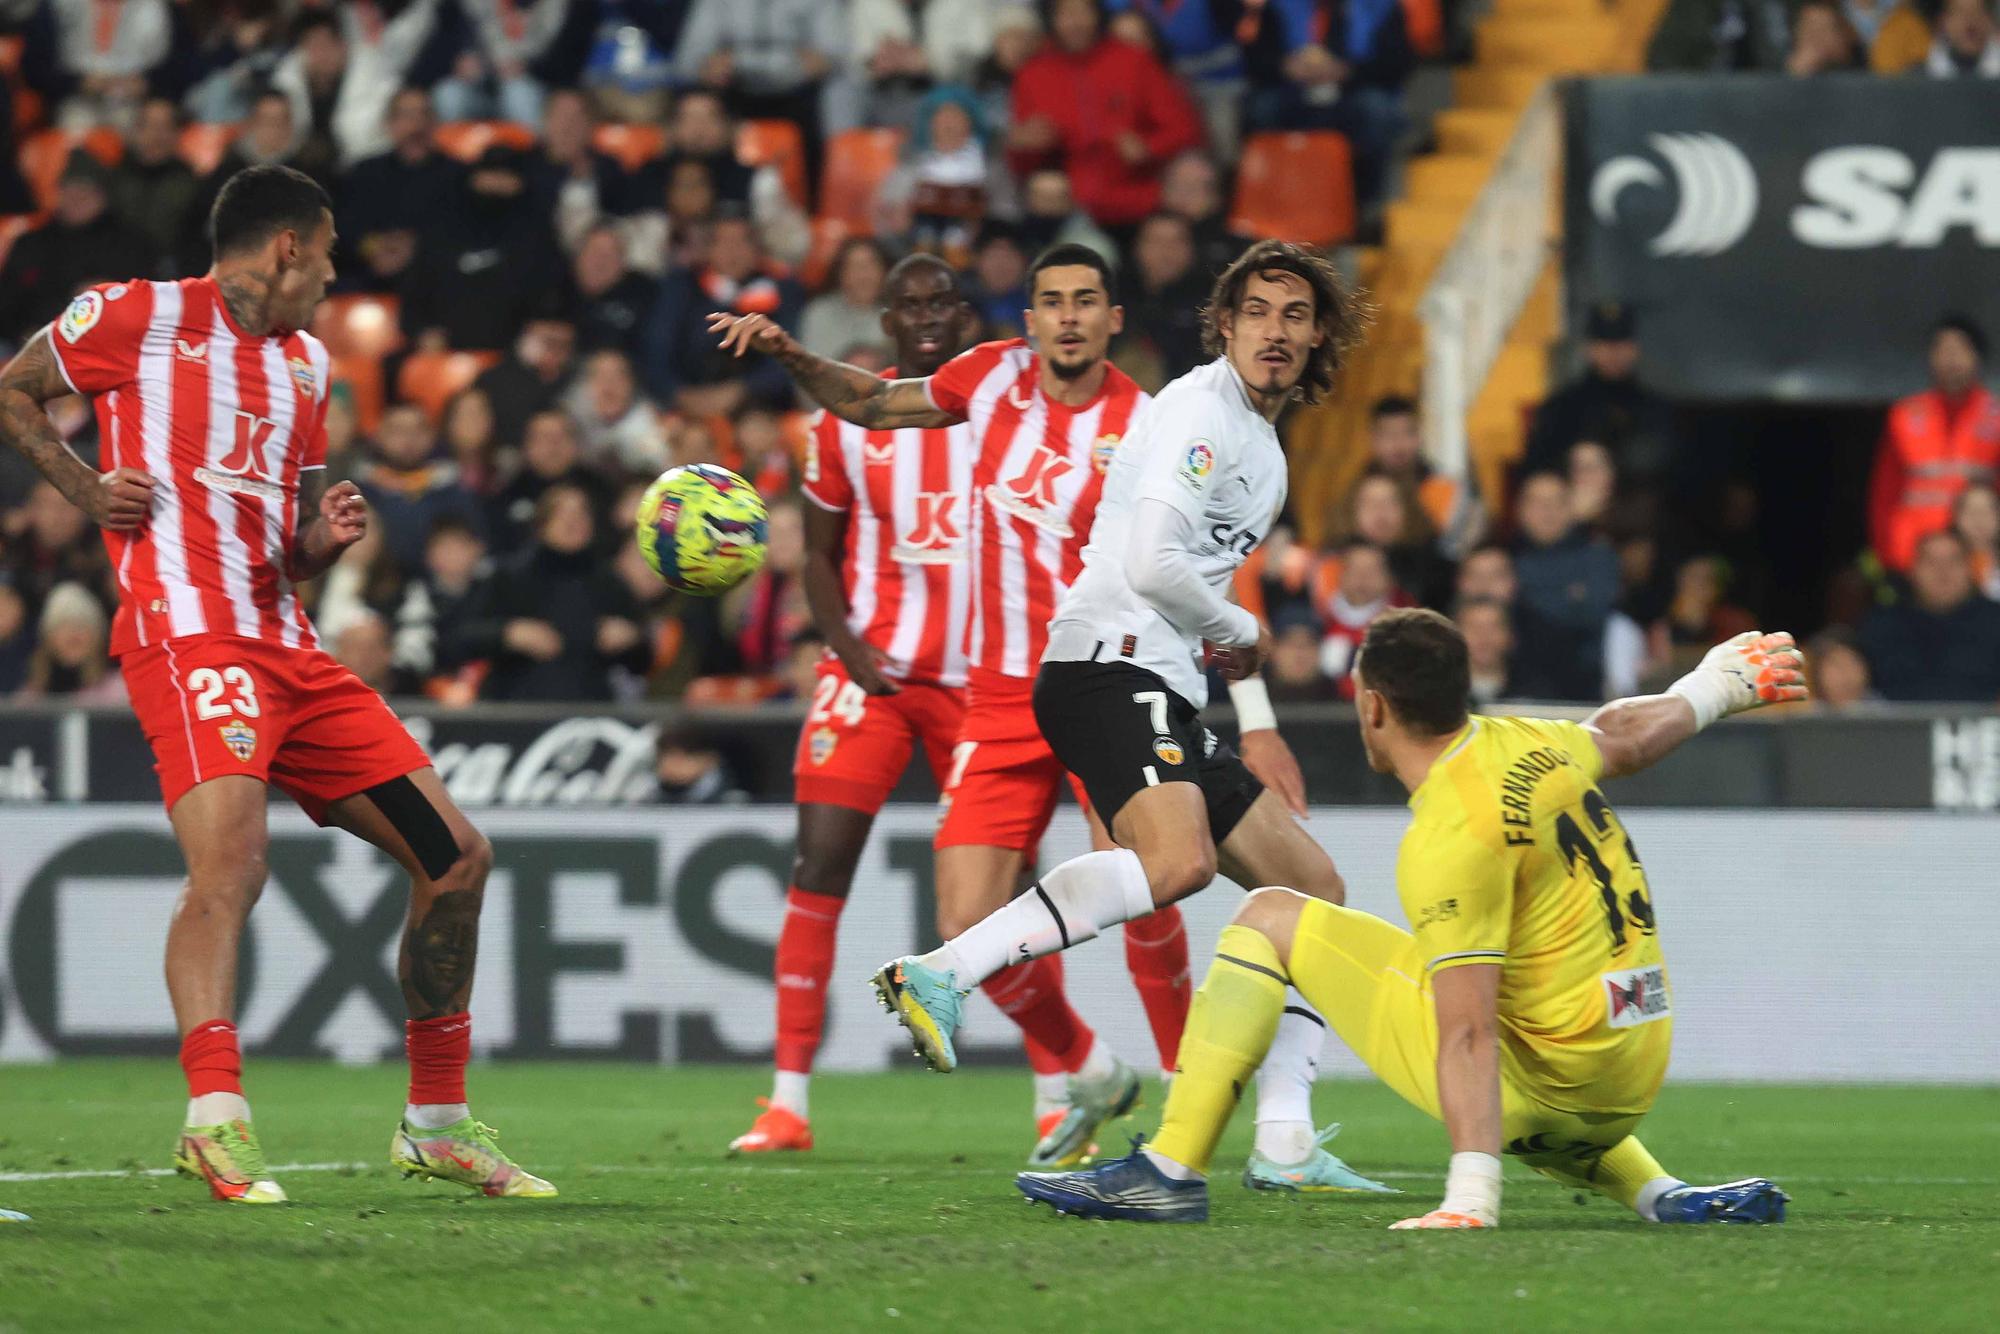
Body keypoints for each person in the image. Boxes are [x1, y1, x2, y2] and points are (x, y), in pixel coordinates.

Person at [773, 239, 1394, 1194]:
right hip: (1103, 663)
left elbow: (1203, 590)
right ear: (1224, 325)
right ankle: (945, 971)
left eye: (1296, 316)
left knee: (1314, 891)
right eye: (1258, 313)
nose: (1277, 331)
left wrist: (1245, 688)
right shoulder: (1197, 411)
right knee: (1175, 864)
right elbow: (1153, 569)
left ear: (1319, 338)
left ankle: (1282, 1139)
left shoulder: (1259, 447)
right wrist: (1242, 632)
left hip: (1160, 681)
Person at [0, 163, 553, 1204]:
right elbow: (13, 388)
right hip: (189, 637)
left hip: (287, 646)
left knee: (459, 857)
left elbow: (275, 553)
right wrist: (84, 488)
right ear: (287, 247)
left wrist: (321, 544)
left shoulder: (305, 364)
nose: (335, 276)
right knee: (234, 863)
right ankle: (215, 1117)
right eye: (330, 254)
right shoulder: (136, 315)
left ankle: (435, 1122)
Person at [1019, 609, 1802, 1228]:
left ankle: (1169, 1173)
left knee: (1268, 916)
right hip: (1631, 1071)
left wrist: (1471, 1195)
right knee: (1541, 1018)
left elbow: (1467, 1033)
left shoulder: (1447, 837)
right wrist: (1716, 686)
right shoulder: (1531, 741)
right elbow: (1624, 736)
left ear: (1373, 706)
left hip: (1552, 1094)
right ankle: (1658, 1192)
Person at [728, 256, 980, 1154]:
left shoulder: (996, 408)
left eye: (938, 302)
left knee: (995, 892)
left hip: (976, 683)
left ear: (962, 312)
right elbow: (821, 559)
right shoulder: (838, 424)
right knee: (819, 864)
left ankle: (1065, 1085)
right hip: (869, 673)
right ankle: (787, 1099)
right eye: (906, 304)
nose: (922, 317)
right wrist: (847, 649)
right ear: (883, 313)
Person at [1006, 0, 1205, 233]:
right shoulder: (1032, 73)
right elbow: (1020, 161)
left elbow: (1185, 128)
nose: (1075, 22)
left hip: (1140, 197)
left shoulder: (1133, 60)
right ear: (1052, 19)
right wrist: (1024, 145)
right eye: (1065, 14)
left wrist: (1148, 147)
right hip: (1068, 205)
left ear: (1097, 15)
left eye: (1083, 12)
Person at [1868, 315, 1999, 575]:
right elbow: (1884, 492)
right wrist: (1885, 552)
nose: (1951, 359)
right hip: (1910, 556)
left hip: (1977, 558)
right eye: (1942, 349)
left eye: (1960, 349)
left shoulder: (1996, 416)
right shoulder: (1904, 416)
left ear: (1977, 358)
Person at [0, 151, 157, 346]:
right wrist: (25, 331)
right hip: (31, 344)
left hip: (106, 347)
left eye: (85, 190)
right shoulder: (31, 243)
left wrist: (108, 294)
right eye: (69, 189)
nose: (76, 198)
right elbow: (7, 302)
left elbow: (145, 305)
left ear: (104, 196)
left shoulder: (131, 244)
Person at [1521, 302, 1681, 490]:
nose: (1613, 352)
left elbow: (1668, 473)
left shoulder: (1656, 409)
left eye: (1621, 343)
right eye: (1604, 344)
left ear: (1634, 348)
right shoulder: (1561, 408)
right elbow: (1538, 474)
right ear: (1589, 349)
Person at [335, 87, 459, 296]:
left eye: (424, 114)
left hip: (433, 277)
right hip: (366, 272)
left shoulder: (458, 175)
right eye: (407, 115)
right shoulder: (364, 172)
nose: (417, 125)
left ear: (436, 123)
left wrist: (415, 248)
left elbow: (461, 230)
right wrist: (374, 248)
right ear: (388, 124)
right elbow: (344, 227)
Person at [1859, 529, 2000, 702]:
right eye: (1931, 562)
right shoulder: (1881, 625)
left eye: (1953, 561)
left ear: (1970, 570)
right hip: (1897, 727)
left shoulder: (1995, 619)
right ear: (1912, 571)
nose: (1943, 571)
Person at [107, 98, 200, 270]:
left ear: (177, 134)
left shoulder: (193, 185)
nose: (156, 135)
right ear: (134, 131)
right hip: (115, 269)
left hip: (168, 273)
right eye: (148, 126)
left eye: (166, 127)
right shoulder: (112, 179)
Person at [1927, 0, 2000, 76]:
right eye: (1960, 12)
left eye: (1977, 12)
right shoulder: (1918, 78)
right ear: (1943, 21)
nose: (1969, 22)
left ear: (1990, 21)